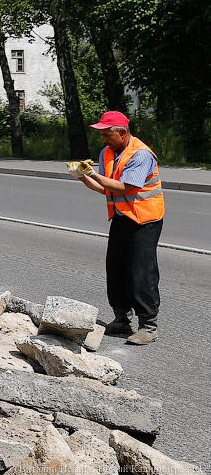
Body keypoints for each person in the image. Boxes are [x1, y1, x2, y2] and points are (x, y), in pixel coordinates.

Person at [67, 110, 164, 345]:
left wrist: (92, 174)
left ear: (122, 132)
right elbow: (107, 189)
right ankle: (121, 319)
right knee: (116, 268)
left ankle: (148, 326)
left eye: (107, 134)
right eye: (102, 135)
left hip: (144, 220)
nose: (104, 139)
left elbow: (126, 188)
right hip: (121, 218)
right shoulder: (108, 152)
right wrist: (82, 176)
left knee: (141, 272)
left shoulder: (140, 155)